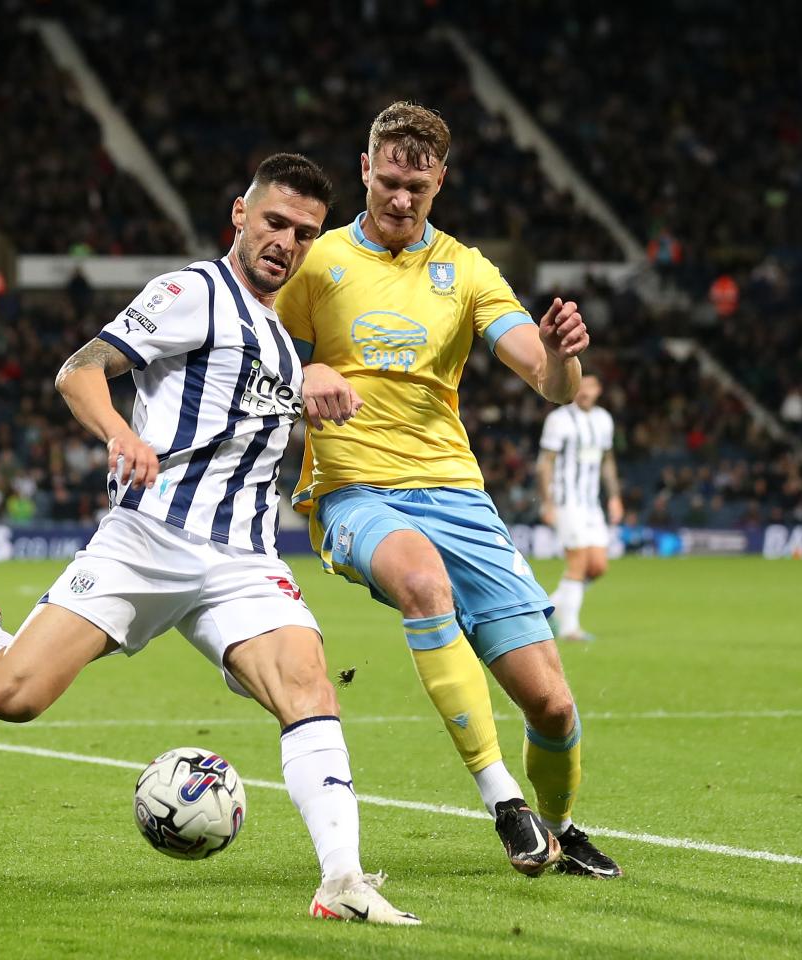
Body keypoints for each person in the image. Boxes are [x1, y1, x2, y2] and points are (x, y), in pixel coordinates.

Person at [0, 153, 419, 925]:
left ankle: (342, 880)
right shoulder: (191, 293)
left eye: (304, 232)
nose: (286, 242)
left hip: (241, 561)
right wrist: (118, 433)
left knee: (308, 685)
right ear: (240, 214)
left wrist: (312, 384)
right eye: (274, 222)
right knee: (11, 697)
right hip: (147, 538)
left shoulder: (280, 333)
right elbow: (78, 371)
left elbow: (252, 407)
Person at [277, 102, 622, 878]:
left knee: (554, 706)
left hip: (456, 494)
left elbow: (547, 380)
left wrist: (565, 355)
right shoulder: (319, 262)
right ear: (365, 168)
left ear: (441, 182)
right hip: (354, 489)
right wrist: (306, 370)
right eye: (389, 181)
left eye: (418, 188)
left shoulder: (467, 270)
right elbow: (260, 352)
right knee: (422, 583)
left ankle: (561, 828)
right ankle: (505, 802)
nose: (401, 199)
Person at [537, 372, 621, 642]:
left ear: (599, 390)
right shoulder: (559, 419)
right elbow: (544, 463)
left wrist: (614, 497)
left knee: (597, 566)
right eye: (581, 386)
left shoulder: (604, 419)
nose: (585, 391)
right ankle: (570, 628)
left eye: (591, 386)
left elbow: (607, 460)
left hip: (591, 503)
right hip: (567, 501)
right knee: (578, 562)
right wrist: (548, 503)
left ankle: (549, 607)